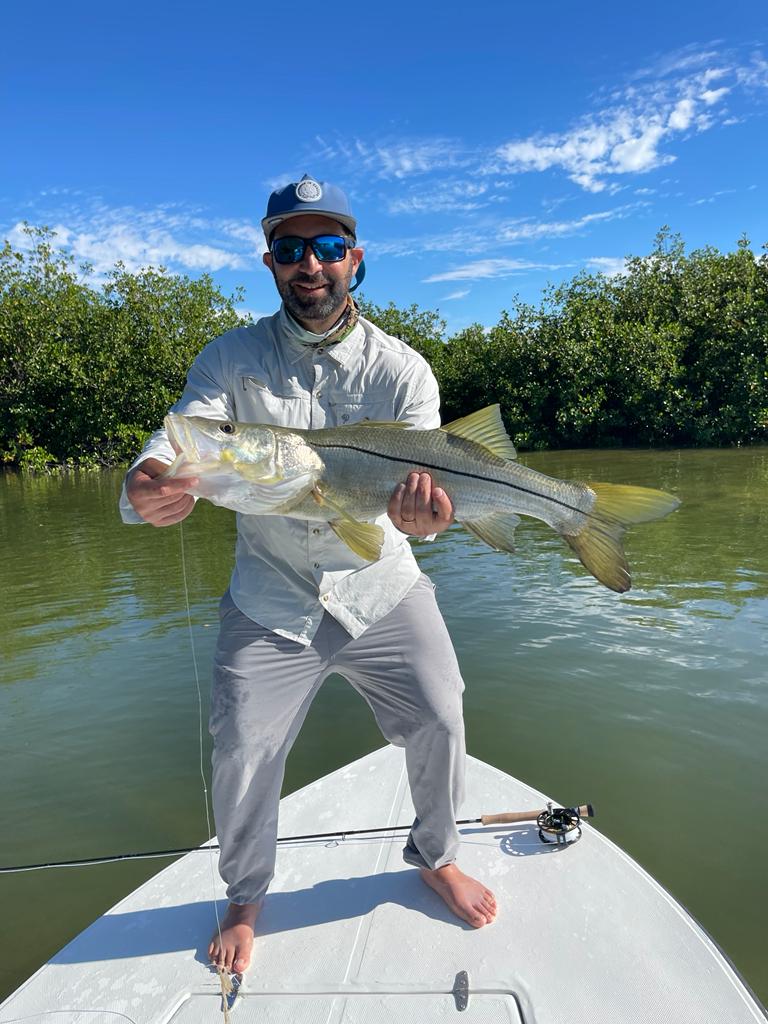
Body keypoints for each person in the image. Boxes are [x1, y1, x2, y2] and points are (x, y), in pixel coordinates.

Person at [120, 175, 497, 975]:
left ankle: (436, 854)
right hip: (270, 595)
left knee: (441, 711)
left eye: (328, 247)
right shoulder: (229, 360)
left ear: (355, 259)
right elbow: (177, 438)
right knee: (242, 747)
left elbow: (422, 492)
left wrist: (426, 519)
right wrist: (143, 483)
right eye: (291, 249)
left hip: (381, 583)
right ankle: (247, 894)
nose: (310, 264)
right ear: (270, 261)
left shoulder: (404, 370)